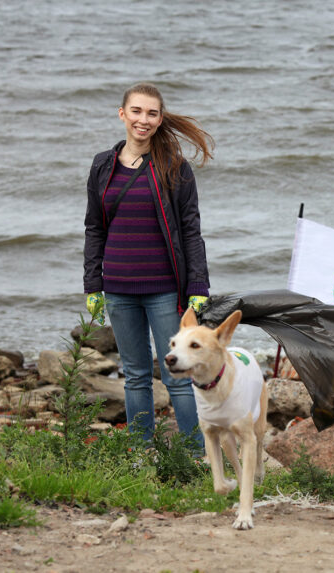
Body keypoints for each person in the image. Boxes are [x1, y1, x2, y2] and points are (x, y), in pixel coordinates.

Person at [83, 82, 214, 450]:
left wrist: (198, 288)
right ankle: (141, 455)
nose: (144, 119)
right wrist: (93, 284)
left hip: (165, 290)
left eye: (152, 113)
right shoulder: (102, 166)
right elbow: (94, 227)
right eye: (136, 111)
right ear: (122, 114)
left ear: (159, 119)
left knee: (177, 375)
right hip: (119, 289)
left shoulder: (175, 168)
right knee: (136, 376)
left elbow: (191, 231)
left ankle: (194, 455)